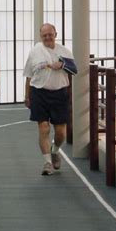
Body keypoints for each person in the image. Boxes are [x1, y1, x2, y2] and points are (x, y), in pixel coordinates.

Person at [24, 23, 77, 176]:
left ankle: (55, 150)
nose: (47, 37)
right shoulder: (35, 51)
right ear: (41, 36)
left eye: (50, 35)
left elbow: (75, 69)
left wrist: (62, 64)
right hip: (39, 92)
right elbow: (28, 74)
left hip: (59, 93)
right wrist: (27, 95)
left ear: (55, 34)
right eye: (44, 35)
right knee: (44, 128)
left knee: (61, 132)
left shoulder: (64, 51)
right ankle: (47, 163)